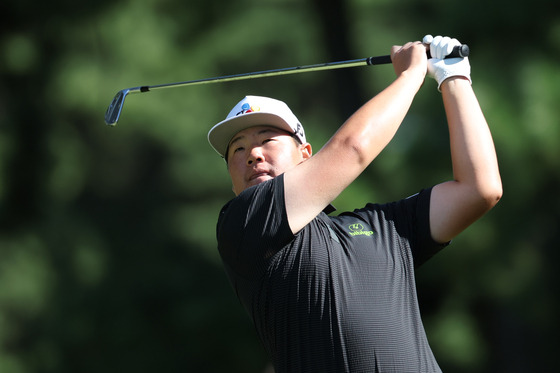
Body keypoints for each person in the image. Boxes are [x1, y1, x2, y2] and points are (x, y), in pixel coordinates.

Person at [207, 35, 502, 373]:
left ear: (305, 154)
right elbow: (352, 150)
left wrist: (454, 78)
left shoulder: (381, 227)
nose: (253, 154)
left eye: (267, 140)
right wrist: (411, 76)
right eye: (237, 149)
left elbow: (479, 189)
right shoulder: (244, 226)